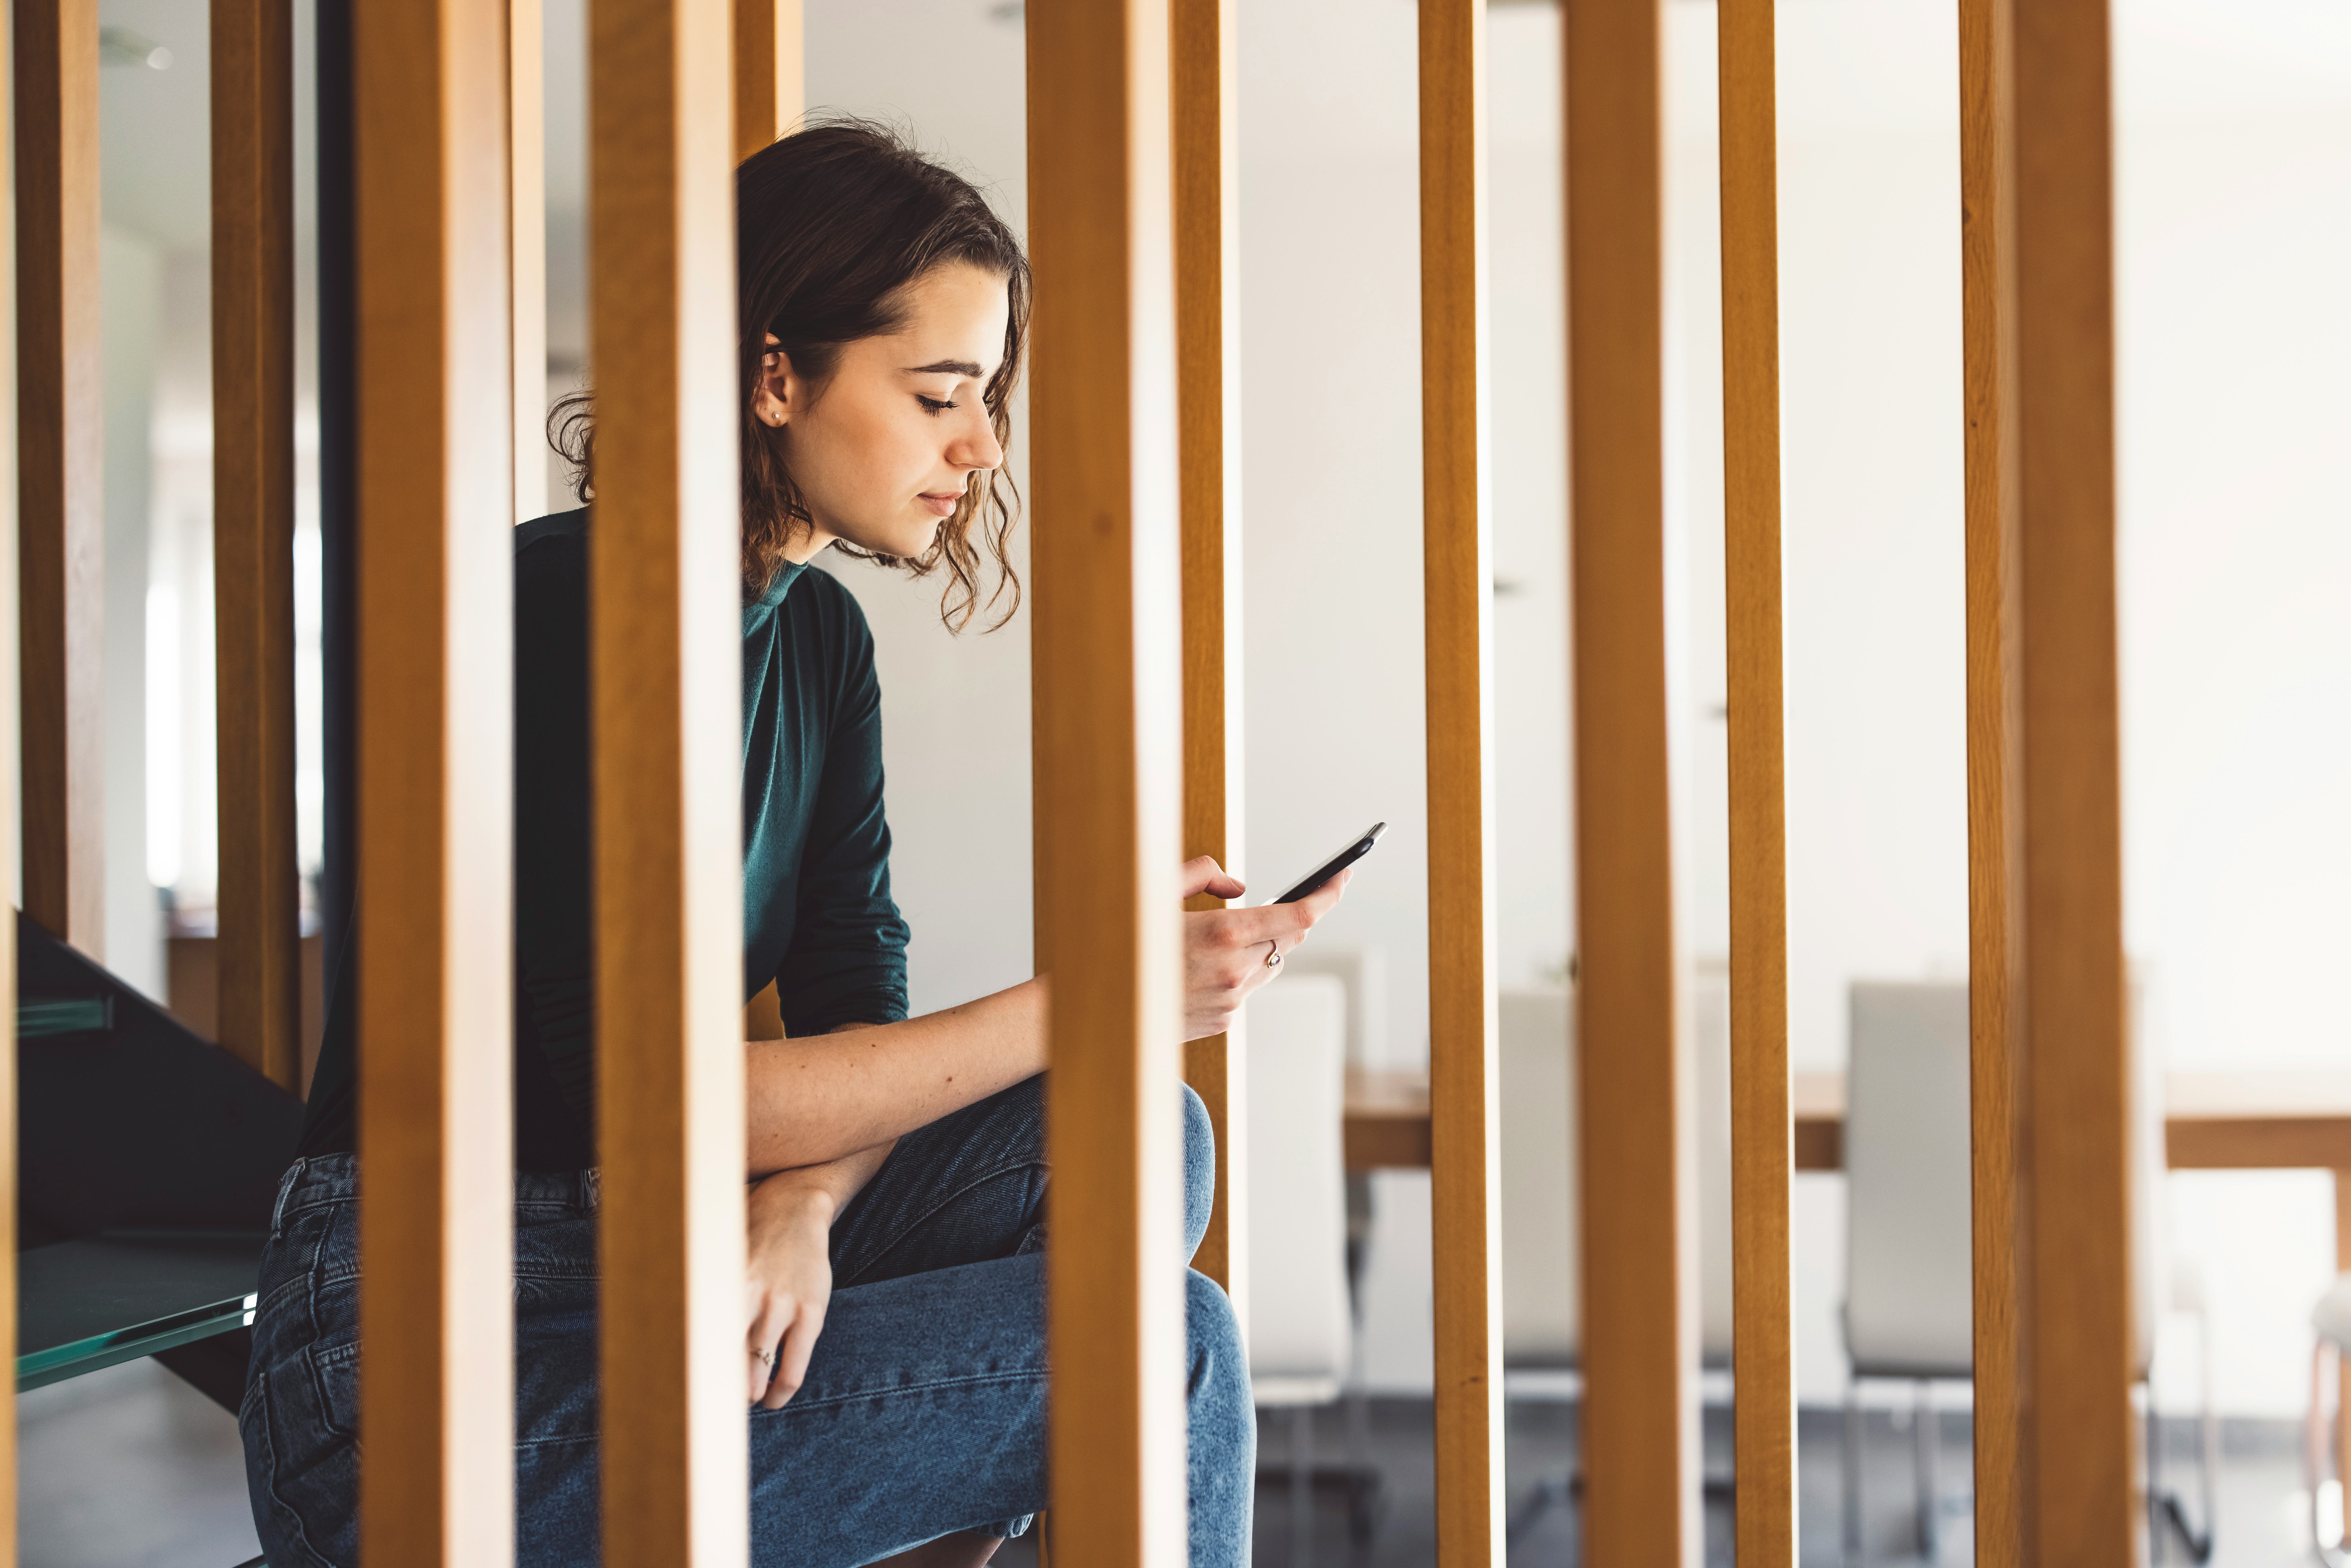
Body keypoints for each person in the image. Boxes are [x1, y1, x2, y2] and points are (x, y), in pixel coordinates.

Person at [240, 119, 1347, 1568]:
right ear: (776, 375)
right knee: (1160, 1345)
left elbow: (853, 999)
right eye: (941, 391)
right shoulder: (567, 608)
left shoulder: (817, 640)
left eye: (988, 397)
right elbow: (634, 1102)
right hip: (424, 1365)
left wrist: (802, 1210)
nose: (982, 445)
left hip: (643, 1256)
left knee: (1142, 1134)